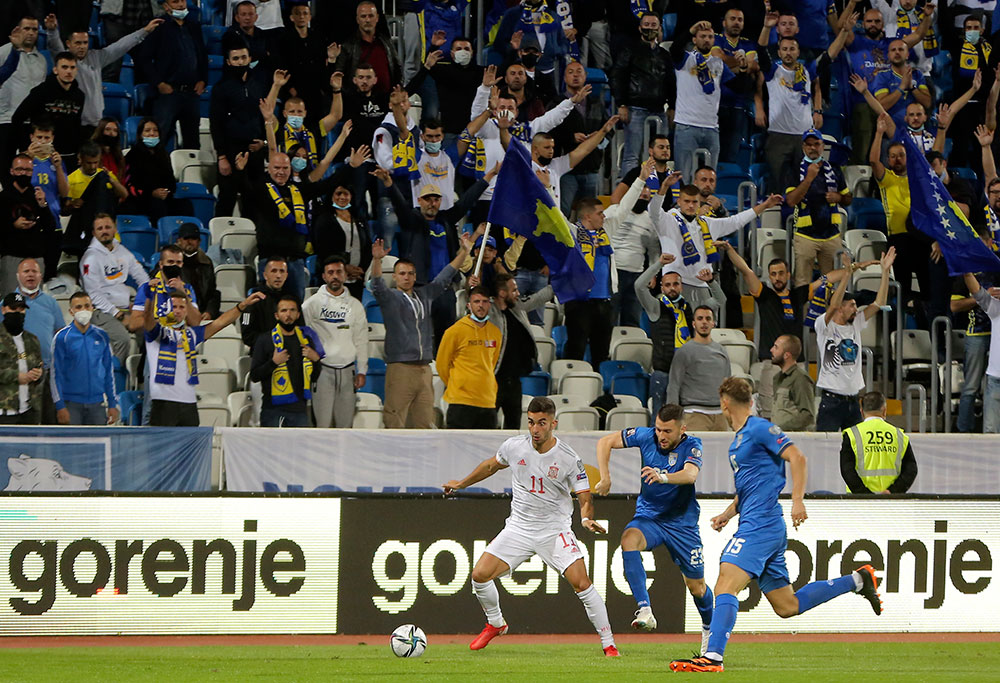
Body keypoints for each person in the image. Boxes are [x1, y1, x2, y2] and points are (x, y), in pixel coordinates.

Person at [669, 377, 883, 673]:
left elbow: (797, 457)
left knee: (725, 585)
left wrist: (797, 500)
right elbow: (751, 487)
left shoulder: (758, 429)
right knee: (787, 606)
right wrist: (728, 514)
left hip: (762, 525)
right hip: (758, 523)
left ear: (725, 403)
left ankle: (713, 657)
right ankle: (858, 580)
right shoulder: (741, 437)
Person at [442, 395, 618, 657]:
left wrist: (584, 518)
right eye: (531, 423)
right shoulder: (515, 446)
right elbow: (491, 465)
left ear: (553, 424)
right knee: (479, 576)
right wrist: (462, 483)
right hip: (519, 529)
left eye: (542, 423)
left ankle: (609, 644)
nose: (535, 429)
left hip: (554, 531)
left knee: (582, 583)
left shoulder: (569, 458)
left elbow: (584, 496)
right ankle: (496, 623)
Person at [593, 404, 714, 652]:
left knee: (697, 588)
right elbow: (605, 442)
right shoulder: (645, 435)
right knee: (628, 539)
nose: (661, 436)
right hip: (650, 518)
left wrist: (663, 477)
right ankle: (645, 609)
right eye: (658, 429)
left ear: (682, 429)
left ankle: (710, 630)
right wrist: (605, 477)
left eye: (667, 431)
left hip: (682, 525)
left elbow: (690, 475)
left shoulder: (692, 445)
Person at [370, 235, 473, 429]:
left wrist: (464, 252)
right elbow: (376, 285)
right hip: (400, 368)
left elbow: (445, 276)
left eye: (410, 273)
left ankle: (422, 460)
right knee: (395, 421)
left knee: (425, 422)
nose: (406, 277)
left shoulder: (424, 295)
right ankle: (394, 459)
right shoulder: (390, 298)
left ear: (415, 276)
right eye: (402, 273)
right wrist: (377, 260)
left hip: (425, 368)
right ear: (394, 276)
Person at [144, 286, 265, 427]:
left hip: (189, 403)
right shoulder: (157, 334)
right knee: (165, 449)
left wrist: (242, 305)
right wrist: (150, 297)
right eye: (173, 306)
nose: (177, 311)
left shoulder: (192, 334)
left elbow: (220, 323)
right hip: (163, 402)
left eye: (182, 307)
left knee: (190, 449)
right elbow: (147, 318)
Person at [652, 185, 783, 314]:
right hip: (676, 286)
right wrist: (664, 187)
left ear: (699, 203)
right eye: (686, 201)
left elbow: (736, 221)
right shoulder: (668, 221)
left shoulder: (708, 223)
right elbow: (653, 211)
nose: (691, 205)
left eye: (694, 202)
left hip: (703, 287)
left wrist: (765, 205)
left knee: (705, 330)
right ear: (679, 202)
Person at [815, 249, 896, 432]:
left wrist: (885, 272)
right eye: (851, 305)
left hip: (853, 401)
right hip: (831, 401)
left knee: (855, 451)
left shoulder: (856, 323)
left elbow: (879, 303)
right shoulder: (824, 325)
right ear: (840, 308)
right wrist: (847, 273)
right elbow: (833, 304)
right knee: (825, 448)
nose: (856, 309)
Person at [42, 13, 162, 132]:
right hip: (71, 124)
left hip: (95, 123)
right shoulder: (64, 60)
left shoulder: (97, 57)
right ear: (68, 44)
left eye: (85, 43)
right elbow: (55, 46)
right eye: (78, 43)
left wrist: (145, 31)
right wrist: (52, 31)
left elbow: (121, 46)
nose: (82, 47)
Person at [302, 256, 369, 429]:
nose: (335, 276)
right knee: (322, 427)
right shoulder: (311, 304)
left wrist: (362, 370)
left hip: (348, 372)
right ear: (324, 276)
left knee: (345, 428)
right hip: (322, 371)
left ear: (345, 275)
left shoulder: (355, 305)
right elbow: (302, 336)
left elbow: (361, 339)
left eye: (339, 272)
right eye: (330, 272)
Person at [670, 21, 737, 181]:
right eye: (702, 36)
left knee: (709, 179)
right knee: (683, 177)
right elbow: (674, 49)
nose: (706, 40)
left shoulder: (718, 64)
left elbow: (739, 87)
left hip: (711, 127)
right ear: (694, 40)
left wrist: (741, 68)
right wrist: (690, 29)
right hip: (687, 124)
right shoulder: (684, 59)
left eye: (710, 37)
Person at [785, 128, 852, 288]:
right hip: (805, 235)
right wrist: (808, 179)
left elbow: (848, 199)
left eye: (816, 144)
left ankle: (829, 313)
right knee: (802, 284)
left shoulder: (834, 169)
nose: (813, 148)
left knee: (832, 285)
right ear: (803, 147)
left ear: (823, 146)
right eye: (809, 145)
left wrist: (839, 198)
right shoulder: (794, 169)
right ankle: (804, 313)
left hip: (831, 234)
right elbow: (791, 201)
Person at [611, 10, 674, 180]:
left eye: (653, 25)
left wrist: (672, 107)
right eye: (646, 25)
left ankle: (658, 189)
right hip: (635, 109)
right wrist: (621, 104)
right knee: (632, 154)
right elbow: (618, 77)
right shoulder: (629, 50)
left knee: (661, 154)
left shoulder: (664, 55)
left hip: (659, 110)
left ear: (659, 28)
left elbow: (671, 82)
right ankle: (628, 191)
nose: (650, 28)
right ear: (640, 28)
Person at [80, 213, 149, 364]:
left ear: (115, 229)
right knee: (122, 339)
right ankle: (116, 377)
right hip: (101, 311)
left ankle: (139, 376)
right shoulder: (90, 258)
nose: (104, 231)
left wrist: (141, 304)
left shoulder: (122, 251)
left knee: (150, 329)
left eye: (107, 227)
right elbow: (93, 295)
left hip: (125, 307)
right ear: (94, 233)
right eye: (100, 228)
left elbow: (142, 278)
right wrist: (119, 315)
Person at [140, 0, 208, 149]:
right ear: (165, 6)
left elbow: (202, 55)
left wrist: (203, 79)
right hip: (168, 93)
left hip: (191, 93)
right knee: (160, 137)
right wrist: (159, 83)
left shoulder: (194, 26)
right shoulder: (159, 27)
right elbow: (144, 59)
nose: (181, 5)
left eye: (183, 0)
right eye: (175, 1)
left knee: (192, 142)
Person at [489, 272, 553, 429]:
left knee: (513, 427)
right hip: (494, 380)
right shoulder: (489, 311)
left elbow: (536, 299)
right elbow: (474, 308)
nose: (518, 294)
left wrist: (556, 285)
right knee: (489, 426)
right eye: (514, 290)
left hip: (514, 380)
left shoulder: (516, 307)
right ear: (502, 293)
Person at [250, 294, 324, 428]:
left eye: (292, 310)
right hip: (272, 410)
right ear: (276, 315)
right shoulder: (265, 340)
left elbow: (314, 377)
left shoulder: (306, 340)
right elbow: (254, 376)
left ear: (298, 315)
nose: (288, 314)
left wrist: (316, 360)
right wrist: (273, 362)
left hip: (300, 410)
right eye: (283, 311)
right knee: (270, 449)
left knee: (298, 449)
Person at [436, 286, 502, 429]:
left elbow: (492, 363)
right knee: (457, 450)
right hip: (461, 402)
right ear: (469, 305)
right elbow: (442, 365)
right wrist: (458, 383)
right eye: (476, 301)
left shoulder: (495, 332)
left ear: (489, 305)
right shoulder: (454, 331)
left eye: (484, 301)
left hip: (488, 401)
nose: (480, 305)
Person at [51, 291, 119, 426]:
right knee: (72, 445)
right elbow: (55, 375)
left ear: (92, 308)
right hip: (71, 404)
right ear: (71, 311)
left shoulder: (102, 336)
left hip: (97, 404)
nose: (83, 310)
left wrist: (112, 403)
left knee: (98, 445)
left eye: (87, 306)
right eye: (78, 307)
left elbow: (108, 371)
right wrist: (60, 406)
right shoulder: (62, 337)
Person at [564, 197, 615, 367]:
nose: (604, 217)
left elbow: (625, 207)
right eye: (600, 213)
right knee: (575, 350)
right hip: (579, 302)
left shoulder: (606, 232)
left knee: (601, 354)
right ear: (587, 216)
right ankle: (571, 389)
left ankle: (598, 389)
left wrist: (641, 180)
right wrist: (548, 189)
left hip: (603, 301)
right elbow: (556, 214)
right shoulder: (572, 233)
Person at [11, 52, 85, 168]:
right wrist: (25, 147)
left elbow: (77, 124)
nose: (69, 71)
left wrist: (78, 151)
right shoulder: (40, 92)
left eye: (72, 67)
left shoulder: (80, 96)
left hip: (68, 154)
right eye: (64, 67)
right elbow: (18, 118)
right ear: (55, 70)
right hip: (41, 155)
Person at [666, 305, 732, 431]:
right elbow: (674, 385)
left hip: (720, 416)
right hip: (693, 415)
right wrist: (672, 419)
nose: (704, 322)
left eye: (708, 319)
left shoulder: (721, 351)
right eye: (700, 318)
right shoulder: (684, 352)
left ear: (713, 323)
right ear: (693, 323)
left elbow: (727, 384)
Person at [0, 154, 58, 293]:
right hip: (11, 256)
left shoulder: (37, 195)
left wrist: (43, 205)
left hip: (36, 256)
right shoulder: (3, 197)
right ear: (12, 171)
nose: (23, 173)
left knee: (35, 300)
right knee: (11, 300)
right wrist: (13, 225)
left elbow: (50, 227)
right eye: (19, 169)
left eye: (27, 170)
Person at [840, 390, 917, 493]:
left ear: (862, 411)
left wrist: (864, 494)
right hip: (891, 501)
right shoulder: (899, 435)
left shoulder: (852, 434)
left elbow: (847, 470)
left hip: (858, 502)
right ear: (884, 411)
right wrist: (892, 491)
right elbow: (911, 469)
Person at [63, 142, 129, 258]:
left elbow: (124, 194)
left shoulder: (104, 175)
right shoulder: (71, 180)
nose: (93, 166)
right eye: (89, 163)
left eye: (96, 162)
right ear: (81, 159)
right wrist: (72, 204)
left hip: (107, 228)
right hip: (84, 229)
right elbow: (65, 210)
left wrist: (112, 181)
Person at [0, 16, 47, 178]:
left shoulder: (41, 60)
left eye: (34, 29)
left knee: (27, 170)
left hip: (29, 124)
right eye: (26, 28)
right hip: (5, 119)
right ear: (18, 30)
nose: (31, 33)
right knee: (5, 167)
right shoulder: (4, 52)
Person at [123, 118, 186, 221]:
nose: (152, 133)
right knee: (157, 205)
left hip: (164, 197)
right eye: (147, 130)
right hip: (141, 199)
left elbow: (171, 181)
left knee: (185, 205)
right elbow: (130, 185)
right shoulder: (133, 155)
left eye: (155, 130)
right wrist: (151, 193)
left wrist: (166, 191)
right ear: (140, 134)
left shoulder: (163, 154)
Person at [334, 0, 401, 96]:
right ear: (357, 19)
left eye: (371, 16)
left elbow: (397, 69)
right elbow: (339, 76)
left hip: (386, 102)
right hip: (357, 104)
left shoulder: (387, 43)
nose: (367, 20)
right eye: (363, 16)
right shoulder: (347, 47)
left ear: (377, 18)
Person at [963, 272, 1000, 433]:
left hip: (994, 380)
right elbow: (978, 293)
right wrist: (966, 272)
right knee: (990, 433)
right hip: (995, 379)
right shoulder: (996, 308)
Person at [0, 292, 44, 424]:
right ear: (4, 310)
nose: (18, 313)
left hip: (29, 412)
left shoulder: (32, 340)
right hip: (4, 413)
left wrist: (38, 374)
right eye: (13, 309)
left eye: (21, 309)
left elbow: (38, 365)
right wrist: (16, 377)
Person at [770, 334, 817, 431]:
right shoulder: (777, 378)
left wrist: (780, 429)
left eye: (776, 347)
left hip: (794, 438)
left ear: (787, 355)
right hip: (780, 439)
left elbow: (808, 415)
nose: (771, 350)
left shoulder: (800, 379)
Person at [176, 223, 221, 320]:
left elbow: (213, 293)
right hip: (178, 313)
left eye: (193, 238)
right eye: (186, 238)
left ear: (199, 241)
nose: (189, 242)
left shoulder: (206, 262)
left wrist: (210, 312)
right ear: (179, 241)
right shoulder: (170, 261)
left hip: (203, 313)